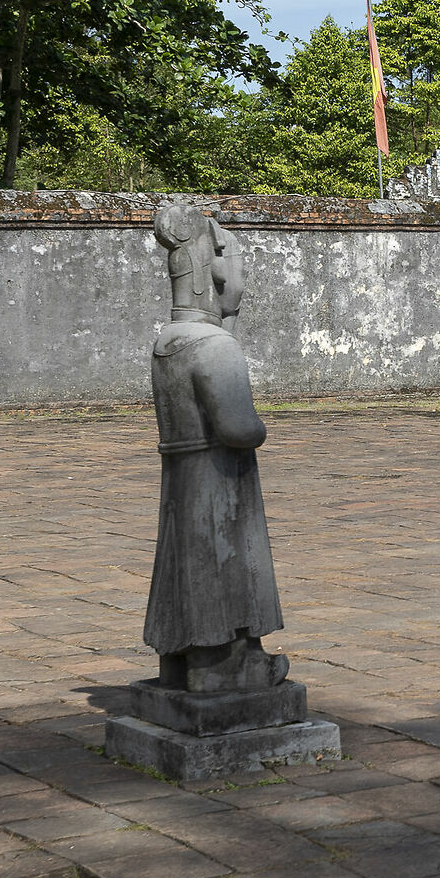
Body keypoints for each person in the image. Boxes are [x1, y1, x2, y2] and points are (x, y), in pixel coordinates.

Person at [143, 200, 285, 690]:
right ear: (216, 277)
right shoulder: (215, 345)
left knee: (185, 561)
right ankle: (225, 664)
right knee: (223, 565)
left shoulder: (169, 340)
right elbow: (239, 428)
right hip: (218, 483)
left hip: (182, 481)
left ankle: (180, 661)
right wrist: (261, 428)